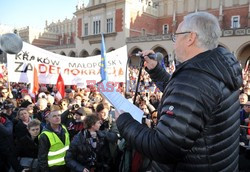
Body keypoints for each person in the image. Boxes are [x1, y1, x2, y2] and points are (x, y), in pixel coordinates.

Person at [116, 12, 242, 171]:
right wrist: (156, 71)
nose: (174, 43)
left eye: (176, 37)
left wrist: (124, 122)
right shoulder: (212, 71)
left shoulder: (193, 80)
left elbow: (163, 147)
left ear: (190, 38)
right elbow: (187, 98)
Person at [38, 106, 70, 172]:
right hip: (54, 168)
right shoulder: (45, 135)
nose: (58, 117)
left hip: (67, 164)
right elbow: (42, 158)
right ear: (48, 119)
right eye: (54, 116)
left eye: (59, 115)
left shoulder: (64, 128)